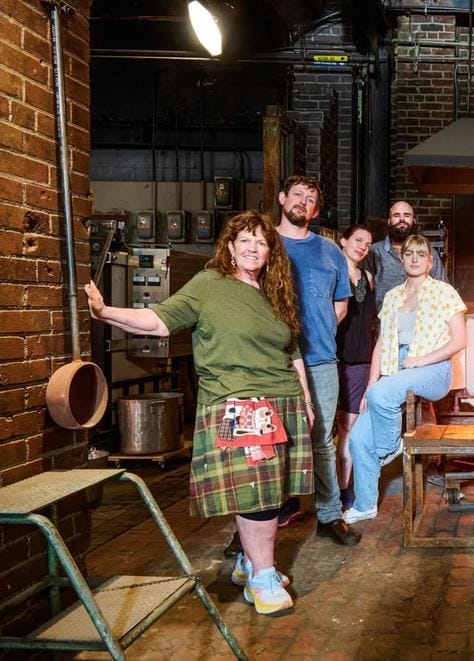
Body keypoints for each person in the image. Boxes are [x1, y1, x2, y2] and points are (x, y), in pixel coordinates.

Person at [84, 212, 311, 616]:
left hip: (283, 399)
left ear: (270, 251)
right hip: (238, 401)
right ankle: (262, 576)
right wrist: (106, 312)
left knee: (272, 490)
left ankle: (247, 561)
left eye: (261, 242)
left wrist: (306, 401)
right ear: (229, 246)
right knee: (257, 491)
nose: (252, 248)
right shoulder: (210, 285)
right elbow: (158, 321)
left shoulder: (275, 292)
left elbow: (292, 351)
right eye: (244, 240)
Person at [344, 234, 467, 524]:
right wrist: (370, 384)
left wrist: (421, 361)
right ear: (402, 259)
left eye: (420, 255)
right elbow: (381, 343)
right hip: (393, 370)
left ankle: (388, 447)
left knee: (381, 399)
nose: (414, 259)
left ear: (429, 261)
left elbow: (460, 340)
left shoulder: (444, 292)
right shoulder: (392, 297)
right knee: (358, 438)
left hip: (433, 369)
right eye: (409, 254)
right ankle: (365, 504)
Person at [275, 175, 360, 546]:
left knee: (322, 438)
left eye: (310, 199)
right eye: (297, 195)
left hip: (322, 359)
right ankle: (258, 520)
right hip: (273, 361)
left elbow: (341, 304)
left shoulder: (330, 253)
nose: (303, 203)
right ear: (282, 199)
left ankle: (328, 515)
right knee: (270, 440)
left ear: (316, 209)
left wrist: (319, 328)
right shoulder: (265, 245)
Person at [335, 223, 377, 511]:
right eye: (358, 240)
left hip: (360, 361)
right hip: (334, 357)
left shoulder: (369, 278)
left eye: (367, 243)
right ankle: (335, 490)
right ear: (343, 241)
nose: (363, 246)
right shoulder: (333, 273)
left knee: (351, 426)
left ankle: (344, 489)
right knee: (336, 427)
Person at [369, 200, 446, 310]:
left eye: (406, 215)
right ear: (389, 221)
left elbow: (441, 290)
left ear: (414, 221)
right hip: (384, 321)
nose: (402, 219)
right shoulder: (374, 251)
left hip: (422, 321)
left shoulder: (429, 252)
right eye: (396, 215)